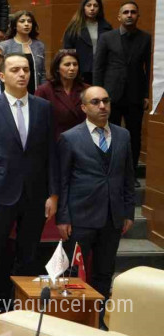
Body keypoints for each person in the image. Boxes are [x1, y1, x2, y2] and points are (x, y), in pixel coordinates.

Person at [0, 54, 58, 336]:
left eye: (25, 69)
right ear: (3, 76)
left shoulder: (44, 107)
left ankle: (18, 311)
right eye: (15, 70)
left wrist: (53, 193)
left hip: (34, 195)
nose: (22, 74)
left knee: (28, 256)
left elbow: (51, 154)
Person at [56, 86, 135, 318]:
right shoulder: (70, 138)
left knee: (104, 272)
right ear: (84, 107)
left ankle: (97, 321)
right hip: (80, 218)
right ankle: (72, 321)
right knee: (73, 274)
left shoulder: (123, 135)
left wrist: (128, 212)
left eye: (106, 101)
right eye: (95, 102)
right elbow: (63, 182)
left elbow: (128, 177)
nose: (102, 106)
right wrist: (63, 217)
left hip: (112, 217)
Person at [94, 1, 151, 176]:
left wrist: (147, 95)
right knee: (108, 133)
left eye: (133, 12)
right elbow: (99, 67)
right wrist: (98, 94)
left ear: (137, 16)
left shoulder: (146, 38)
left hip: (135, 95)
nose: (129, 15)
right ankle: (109, 170)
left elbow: (148, 68)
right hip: (110, 96)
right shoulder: (107, 37)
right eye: (125, 12)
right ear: (119, 16)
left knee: (134, 135)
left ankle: (131, 173)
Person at [35, 50, 87, 139]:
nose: (72, 68)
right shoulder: (44, 90)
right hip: (56, 141)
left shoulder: (87, 89)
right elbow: (37, 122)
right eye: (67, 65)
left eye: (75, 64)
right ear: (57, 68)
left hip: (81, 141)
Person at [63, 0, 111, 85]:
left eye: (95, 6)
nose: (92, 8)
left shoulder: (107, 27)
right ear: (83, 8)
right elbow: (67, 52)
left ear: (99, 8)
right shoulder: (73, 28)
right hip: (82, 71)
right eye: (89, 5)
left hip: (102, 70)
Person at [1, 10, 46, 94]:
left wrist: (44, 93)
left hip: (35, 91)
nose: (26, 24)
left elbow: (42, 73)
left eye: (29, 21)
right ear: (14, 25)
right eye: (22, 21)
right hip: (12, 91)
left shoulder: (39, 45)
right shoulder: (5, 46)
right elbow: (1, 72)